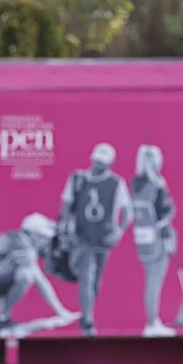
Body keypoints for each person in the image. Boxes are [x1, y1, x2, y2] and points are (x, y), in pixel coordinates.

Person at [0, 213, 79, 338]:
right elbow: (40, 281)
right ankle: (3, 320)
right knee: (26, 275)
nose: (45, 242)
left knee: (9, 269)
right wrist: (61, 311)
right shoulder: (24, 247)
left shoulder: (12, 236)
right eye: (43, 237)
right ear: (32, 234)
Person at [58, 142, 133, 337]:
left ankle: (87, 313)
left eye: (104, 163)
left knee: (96, 281)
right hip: (82, 236)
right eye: (98, 162)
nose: (99, 166)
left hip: (104, 237)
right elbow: (66, 205)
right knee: (87, 276)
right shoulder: (77, 179)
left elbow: (127, 213)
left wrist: (119, 231)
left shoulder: (116, 183)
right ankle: (89, 320)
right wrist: (65, 226)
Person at [130, 144, 177, 337]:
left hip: (142, 238)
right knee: (154, 281)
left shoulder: (136, 184)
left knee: (150, 279)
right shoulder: (158, 185)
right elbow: (166, 212)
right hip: (158, 238)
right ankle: (152, 322)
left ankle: (152, 320)